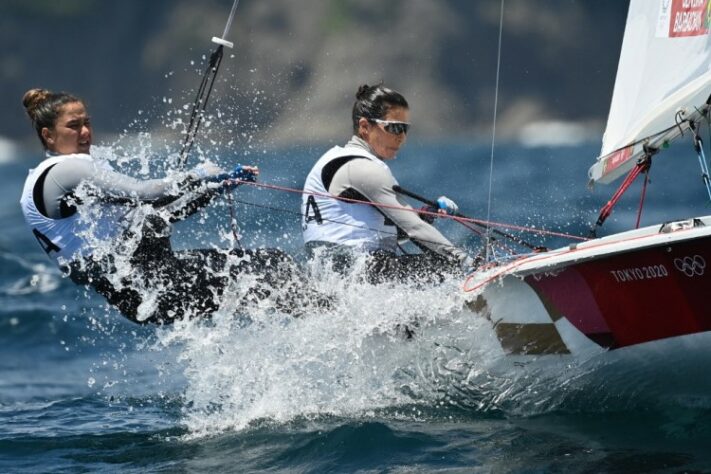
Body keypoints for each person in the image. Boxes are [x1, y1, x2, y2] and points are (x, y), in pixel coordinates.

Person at [20, 88, 311, 323]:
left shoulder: (65, 182)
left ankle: (321, 318)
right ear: (48, 135)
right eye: (73, 126)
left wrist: (215, 188)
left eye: (87, 123)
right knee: (270, 270)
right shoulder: (64, 172)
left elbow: (162, 212)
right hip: (147, 288)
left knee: (269, 269)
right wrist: (198, 174)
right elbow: (148, 193)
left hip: (149, 286)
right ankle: (331, 315)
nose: (85, 132)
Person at [301, 83, 475, 283]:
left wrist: (426, 215)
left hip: (334, 277)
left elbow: (386, 231)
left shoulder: (337, 158)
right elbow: (415, 230)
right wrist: (468, 265)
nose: (401, 137)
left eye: (405, 129)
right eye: (394, 127)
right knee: (448, 266)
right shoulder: (362, 168)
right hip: (360, 273)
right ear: (365, 127)